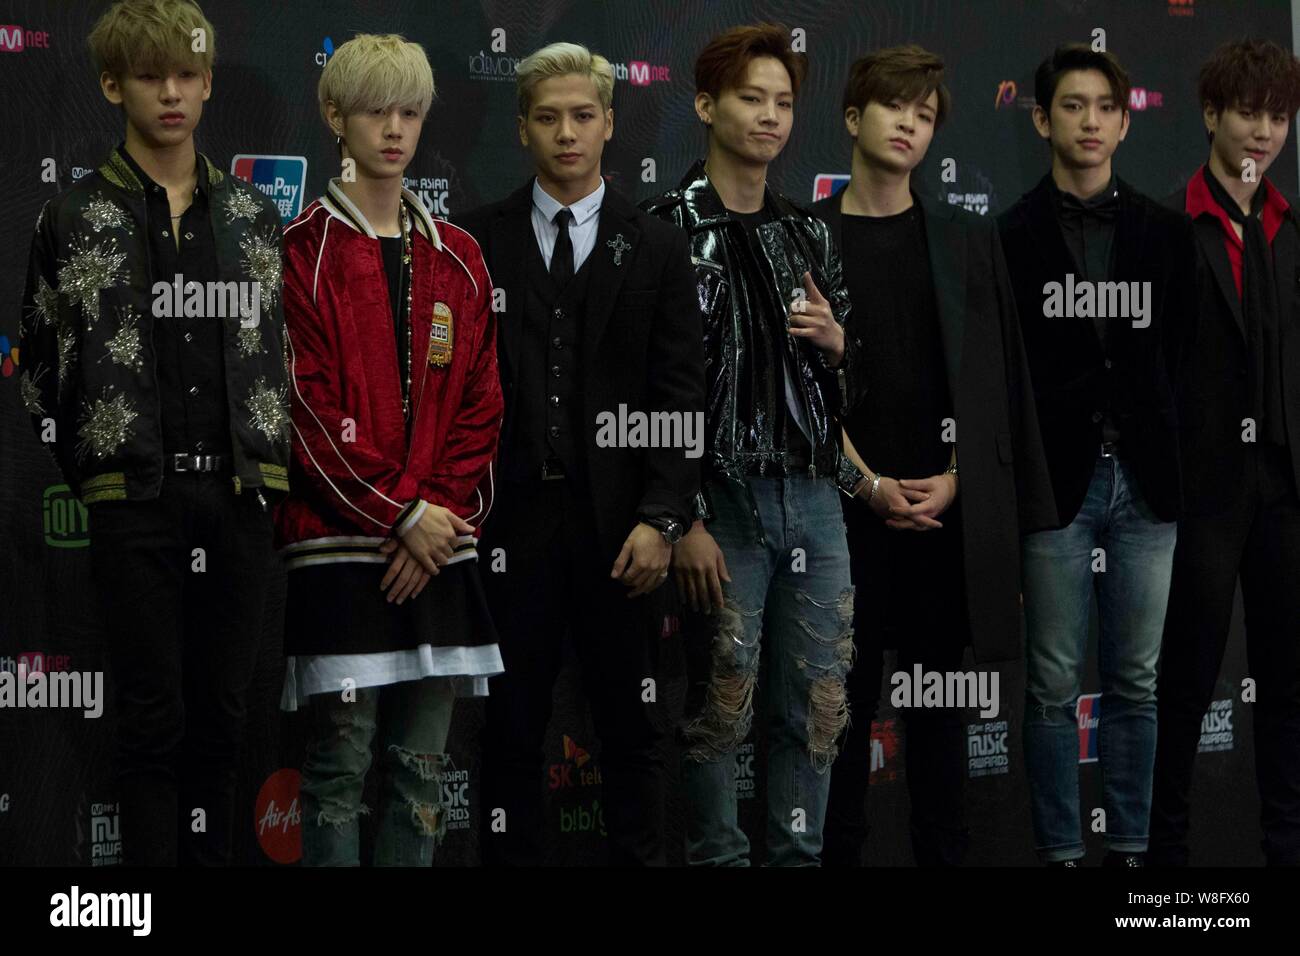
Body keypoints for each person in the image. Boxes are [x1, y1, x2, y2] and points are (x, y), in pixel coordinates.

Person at [17, 0, 289, 865]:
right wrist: (105, 462)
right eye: (148, 75)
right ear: (112, 84)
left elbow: (278, 356)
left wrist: (261, 457)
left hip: (242, 499)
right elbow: (39, 371)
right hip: (134, 502)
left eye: (185, 75)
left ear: (208, 83)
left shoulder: (251, 215)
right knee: (150, 720)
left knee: (225, 719)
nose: (169, 93)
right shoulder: (72, 217)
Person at [455, 42, 704, 866]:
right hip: (508, 529)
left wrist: (663, 518)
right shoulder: (475, 240)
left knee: (633, 729)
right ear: (523, 128)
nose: (567, 132)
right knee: (511, 731)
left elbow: (679, 397)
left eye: (583, 116)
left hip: (621, 532)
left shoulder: (659, 245)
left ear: (607, 126)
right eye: (548, 117)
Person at [812, 45, 1055, 867]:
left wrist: (960, 484)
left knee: (940, 732)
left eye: (924, 114)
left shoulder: (965, 238)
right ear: (853, 119)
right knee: (834, 730)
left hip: (943, 527)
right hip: (839, 523)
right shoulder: (807, 237)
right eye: (894, 107)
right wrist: (870, 485)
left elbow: (997, 390)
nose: (911, 123)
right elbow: (793, 397)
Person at [277, 33, 504, 867]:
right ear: (336, 115)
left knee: (421, 771)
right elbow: (305, 412)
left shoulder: (461, 258)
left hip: (442, 554)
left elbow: (482, 409)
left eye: (410, 111)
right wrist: (401, 513)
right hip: (341, 555)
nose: (396, 128)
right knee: (338, 767)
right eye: (377, 110)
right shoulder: (299, 252)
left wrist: (433, 521)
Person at [642, 22, 864, 866]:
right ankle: (717, 859)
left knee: (815, 705)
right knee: (719, 708)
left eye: (782, 102)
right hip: (719, 504)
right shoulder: (662, 229)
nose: (770, 116)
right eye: (750, 98)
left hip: (814, 500)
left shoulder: (807, 232)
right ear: (705, 105)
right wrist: (683, 518)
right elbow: (647, 401)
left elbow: (851, 393)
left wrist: (840, 348)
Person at [998, 44, 1194, 866]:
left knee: (1137, 684)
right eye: (1071, 106)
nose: (1089, 120)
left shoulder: (1166, 233)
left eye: (1103, 106)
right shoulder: (1009, 235)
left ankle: (1133, 857)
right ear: (1044, 119)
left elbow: (1190, 365)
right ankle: (1060, 853)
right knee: (1048, 687)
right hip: (1055, 487)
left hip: (1148, 488)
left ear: (1123, 119)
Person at [1150, 38, 1300, 868]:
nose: (1264, 132)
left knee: (1285, 687)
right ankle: (1164, 858)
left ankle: (1287, 848)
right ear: (1211, 115)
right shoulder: (1171, 229)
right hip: (1203, 492)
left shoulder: (1291, 228)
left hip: (1284, 489)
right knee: (1184, 685)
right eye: (1249, 112)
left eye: (1278, 116)